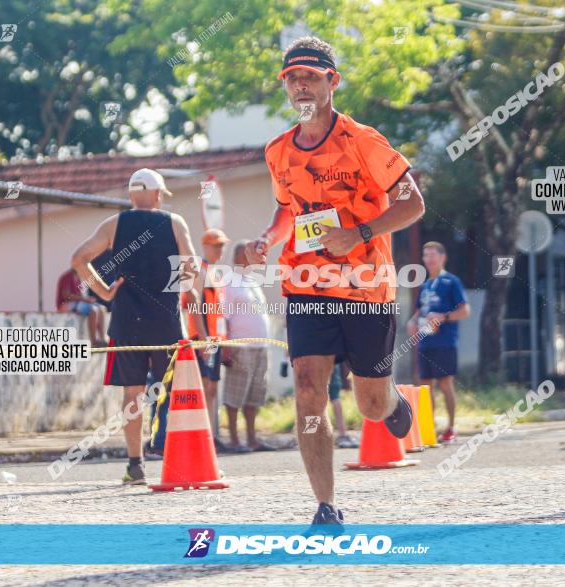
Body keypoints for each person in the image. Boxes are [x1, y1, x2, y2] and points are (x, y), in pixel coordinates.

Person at [244, 36, 425, 525]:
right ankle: (325, 504)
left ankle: (390, 402)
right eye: (292, 78)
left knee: (368, 405)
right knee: (308, 387)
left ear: (331, 82)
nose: (301, 85)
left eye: (311, 76)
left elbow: (413, 204)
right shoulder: (278, 151)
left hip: (367, 287)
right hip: (304, 285)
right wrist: (266, 240)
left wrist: (359, 232)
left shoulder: (362, 141)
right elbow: (287, 211)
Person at [71, 168, 207, 485]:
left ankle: (135, 465)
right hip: (166, 322)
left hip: (126, 322)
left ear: (131, 195)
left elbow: (79, 258)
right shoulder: (174, 222)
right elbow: (190, 273)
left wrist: (104, 292)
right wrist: (190, 303)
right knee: (176, 391)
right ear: (158, 194)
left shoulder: (114, 224)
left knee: (132, 393)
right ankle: (182, 461)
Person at [407, 242, 470, 443]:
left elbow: (465, 311)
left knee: (445, 383)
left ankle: (451, 427)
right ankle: (428, 429)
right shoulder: (425, 286)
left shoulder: (451, 282)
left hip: (446, 342)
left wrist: (444, 316)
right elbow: (419, 311)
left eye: (433, 255)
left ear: (443, 258)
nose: (429, 259)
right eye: (426, 256)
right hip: (425, 342)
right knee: (425, 386)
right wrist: (412, 321)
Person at [221, 241, 275, 452]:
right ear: (241, 256)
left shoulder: (251, 280)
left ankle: (252, 439)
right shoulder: (229, 281)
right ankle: (235, 440)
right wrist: (225, 347)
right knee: (235, 393)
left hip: (260, 346)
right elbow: (224, 317)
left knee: (255, 394)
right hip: (240, 347)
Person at [181, 228, 229, 449]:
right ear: (206, 246)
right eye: (217, 245)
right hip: (203, 339)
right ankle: (201, 436)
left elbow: (217, 310)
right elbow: (193, 306)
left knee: (211, 388)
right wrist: (202, 339)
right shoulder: (199, 270)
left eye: (222, 245)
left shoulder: (214, 272)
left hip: (215, 340)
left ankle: (209, 436)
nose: (220, 250)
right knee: (204, 387)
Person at [55, 268, 107, 346]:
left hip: (75, 303)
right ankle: (93, 341)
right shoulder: (67, 276)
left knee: (102, 309)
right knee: (92, 310)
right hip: (64, 305)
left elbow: (79, 296)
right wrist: (85, 300)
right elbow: (66, 296)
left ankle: (102, 339)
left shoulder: (78, 277)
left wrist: (87, 300)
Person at [329, 363, 358, 449]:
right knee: (334, 397)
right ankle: (343, 435)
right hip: (331, 356)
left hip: (311, 355)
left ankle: (311, 433)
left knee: (314, 398)